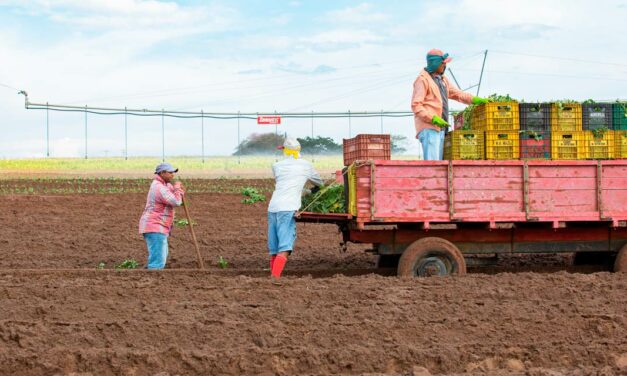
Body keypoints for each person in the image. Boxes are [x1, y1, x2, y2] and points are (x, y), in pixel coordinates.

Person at [411, 49, 489, 160]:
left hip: (441, 128)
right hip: (429, 128)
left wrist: (474, 99)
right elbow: (416, 105)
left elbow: (457, 94)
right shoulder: (422, 80)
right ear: (435, 63)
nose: (445, 66)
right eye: (443, 63)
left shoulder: (443, 80)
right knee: (432, 164)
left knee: (439, 166)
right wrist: (432, 118)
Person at [267, 137, 323, 284]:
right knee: (285, 247)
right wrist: (308, 191)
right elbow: (319, 184)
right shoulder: (306, 165)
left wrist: (300, 189)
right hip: (288, 208)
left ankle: (272, 276)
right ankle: (275, 278)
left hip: (273, 207)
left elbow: (284, 183)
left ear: (285, 151)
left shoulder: (276, 166)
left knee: (274, 247)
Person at [138, 162, 185, 269]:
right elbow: (176, 201)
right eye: (170, 172)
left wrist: (178, 189)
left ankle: (149, 276)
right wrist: (177, 189)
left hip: (158, 226)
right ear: (162, 173)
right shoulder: (159, 188)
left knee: (159, 258)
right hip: (155, 226)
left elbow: (174, 194)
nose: (173, 175)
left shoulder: (164, 185)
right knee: (158, 262)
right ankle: (151, 282)